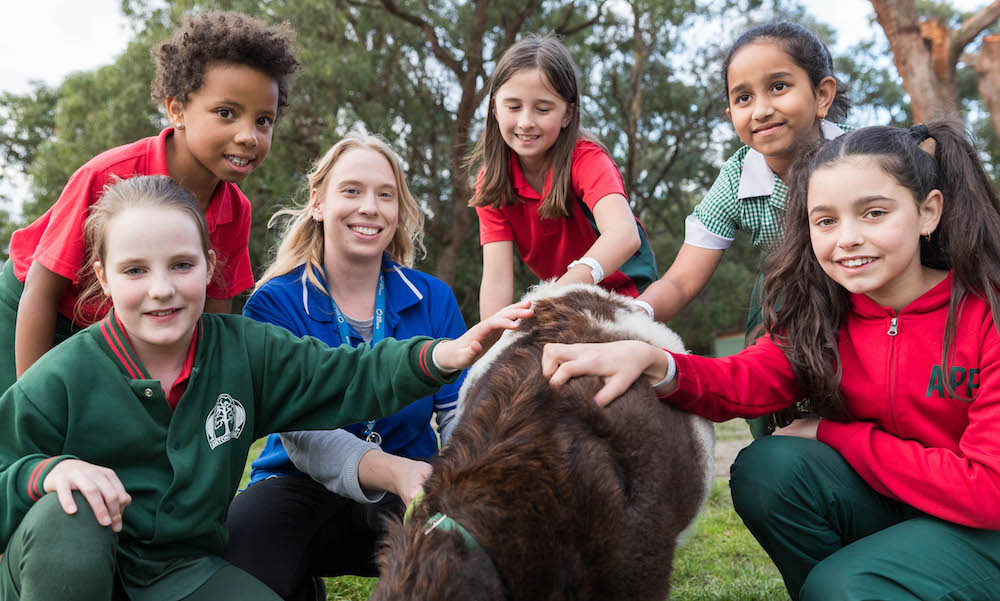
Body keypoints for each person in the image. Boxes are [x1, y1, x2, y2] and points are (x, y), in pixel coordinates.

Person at [0, 175, 530, 601]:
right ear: (103, 274)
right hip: (67, 572)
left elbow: (345, 373)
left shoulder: (243, 350)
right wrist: (49, 471)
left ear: (209, 267)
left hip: (180, 573)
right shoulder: (64, 374)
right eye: (135, 270)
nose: (161, 289)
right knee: (70, 514)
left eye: (181, 265)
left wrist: (443, 354)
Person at [542, 120, 1000, 601]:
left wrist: (833, 433)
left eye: (873, 213)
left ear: (928, 213)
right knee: (770, 468)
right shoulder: (826, 311)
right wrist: (655, 361)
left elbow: (988, 490)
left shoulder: (986, 315)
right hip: (901, 507)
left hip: (984, 528)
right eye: (825, 220)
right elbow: (750, 376)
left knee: (841, 585)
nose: (846, 239)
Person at [0, 11, 301, 392]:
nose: (249, 136)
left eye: (264, 120)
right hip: (32, 310)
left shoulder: (235, 211)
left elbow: (212, 320)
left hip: (113, 329)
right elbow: (41, 291)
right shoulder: (110, 175)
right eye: (226, 113)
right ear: (177, 110)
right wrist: (34, 408)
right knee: (22, 436)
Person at [223, 132, 468, 600]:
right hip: (300, 485)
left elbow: (459, 413)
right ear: (318, 202)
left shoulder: (432, 297)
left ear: (398, 213)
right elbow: (303, 436)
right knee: (240, 547)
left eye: (385, 195)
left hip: (414, 487)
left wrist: (461, 485)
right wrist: (394, 470)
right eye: (351, 190)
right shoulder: (273, 304)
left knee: (477, 552)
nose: (370, 208)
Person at [634, 22, 849, 436]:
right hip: (795, 312)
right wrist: (634, 312)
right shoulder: (736, 178)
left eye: (779, 87)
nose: (762, 109)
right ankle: (779, 424)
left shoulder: (862, 158)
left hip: (867, 300)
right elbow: (680, 281)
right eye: (744, 97)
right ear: (731, 114)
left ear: (822, 95)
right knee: (775, 285)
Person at [469, 34, 658, 320]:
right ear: (494, 108)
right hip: (565, 305)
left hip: (625, 295)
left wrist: (555, 294)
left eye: (543, 109)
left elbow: (624, 235)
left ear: (567, 114)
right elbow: (496, 280)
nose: (526, 122)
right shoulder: (492, 183)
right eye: (513, 106)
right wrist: (488, 347)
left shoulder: (586, 159)